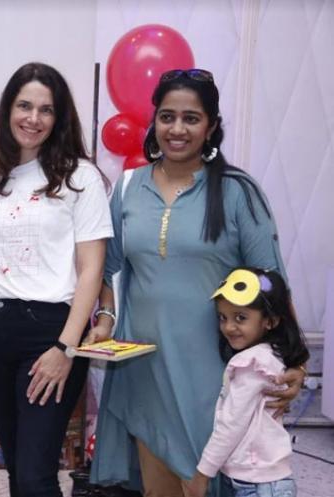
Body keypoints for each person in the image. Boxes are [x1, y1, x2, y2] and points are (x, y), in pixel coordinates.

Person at [89, 69, 305, 497]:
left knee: (206, 480)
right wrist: (107, 319)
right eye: (167, 116)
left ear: (211, 126)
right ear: (154, 121)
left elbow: (273, 284)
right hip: (143, 365)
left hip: (215, 370)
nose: (177, 129)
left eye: (191, 118)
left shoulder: (237, 191)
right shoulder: (128, 189)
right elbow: (107, 269)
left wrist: (296, 361)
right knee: (158, 488)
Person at [0, 62, 113, 497]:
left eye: (46, 110)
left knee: (36, 474)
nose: (33, 118)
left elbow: (91, 269)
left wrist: (66, 348)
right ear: (8, 111)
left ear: (59, 117)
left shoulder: (80, 176)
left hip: (51, 332)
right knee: (17, 467)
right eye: (24, 106)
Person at [182, 267, 308, 497]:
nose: (229, 327)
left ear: (270, 321)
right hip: (262, 480)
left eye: (240, 318)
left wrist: (202, 475)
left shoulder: (251, 364)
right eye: (223, 317)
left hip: (257, 485)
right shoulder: (271, 356)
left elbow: (231, 425)